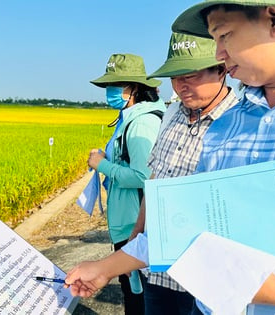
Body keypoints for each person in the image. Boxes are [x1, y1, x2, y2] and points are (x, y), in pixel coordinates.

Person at [66, 1, 275, 314]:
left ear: (274, 17)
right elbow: (187, 231)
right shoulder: (229, 123)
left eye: (225, 35)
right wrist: (104, 268)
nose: (219, 53)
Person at [126, 32, 238, 315]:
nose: (181, 85)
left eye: (191, 75)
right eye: (176, 77)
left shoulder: (239, 122)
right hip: (159, 267)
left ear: (221, 69)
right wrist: (137, 232)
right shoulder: (172, 113)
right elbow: (156, 179)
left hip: (205, 277)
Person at [88, 53, 165, 315]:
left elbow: (144, 176)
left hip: (136, 226)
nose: (109, 91)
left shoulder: (142, 122)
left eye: (115, 85)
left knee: (138, 301)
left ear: (133, 88)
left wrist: (103, 165)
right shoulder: (130, 116)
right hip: (130, 223)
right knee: (135, 296)